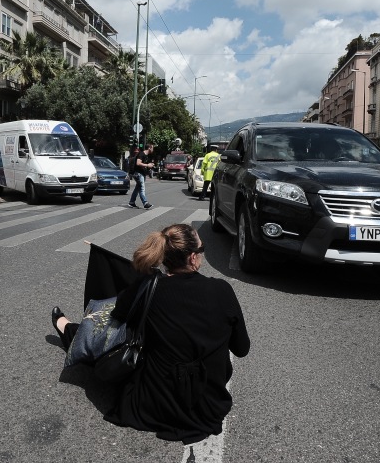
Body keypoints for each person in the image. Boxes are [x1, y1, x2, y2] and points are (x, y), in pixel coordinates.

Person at [51, 224, 250, 444]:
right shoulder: (222, 290)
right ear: (193, 258)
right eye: (202, 251)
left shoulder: (149, 287)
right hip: (208, 405)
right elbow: (242, 349)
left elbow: (117, 315)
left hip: (152, 403)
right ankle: (69, 329)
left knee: (103, 332)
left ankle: (68, 329)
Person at [128, 144, 155, 209]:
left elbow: (144, 165)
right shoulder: (141, 154)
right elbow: (138, 163)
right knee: (142, 188)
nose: (153, 149)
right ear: (149, 148)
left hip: (142, 173)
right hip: (138, 173)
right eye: (152, 148)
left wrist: (150, 165)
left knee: (137, 188)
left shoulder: (146, 156)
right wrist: (147, 165)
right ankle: (145, 203)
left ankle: (131, 202)